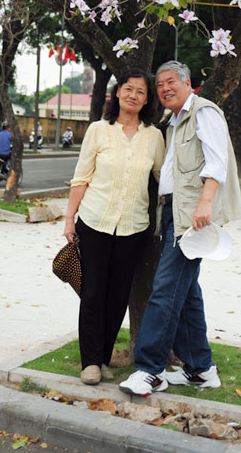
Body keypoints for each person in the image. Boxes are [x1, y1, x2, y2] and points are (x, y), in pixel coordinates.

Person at [119, 60, 241, 397]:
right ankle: (201, 369)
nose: (164, 89)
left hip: (192, 215)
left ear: (187, 82)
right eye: (159, 85)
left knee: (165, 289)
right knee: (186, 294)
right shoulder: (173, 122)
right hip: (174, 212)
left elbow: (217, 162)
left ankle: (150, 371)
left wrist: (205, 204)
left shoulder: (204, 112)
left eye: (170, 81)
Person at [64, 69, 165, 387]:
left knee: (119, 295)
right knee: (93, 292)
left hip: (134, 228)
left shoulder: (154, 136)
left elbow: (163, 180)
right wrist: (69, 218)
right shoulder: (98, 130)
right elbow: (81, 176)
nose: (134, 95)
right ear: (117, 93)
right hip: (95, 222)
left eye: (141, 92)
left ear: (147, 100)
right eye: (128, 89)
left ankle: (104, 357)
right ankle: (90, 362)